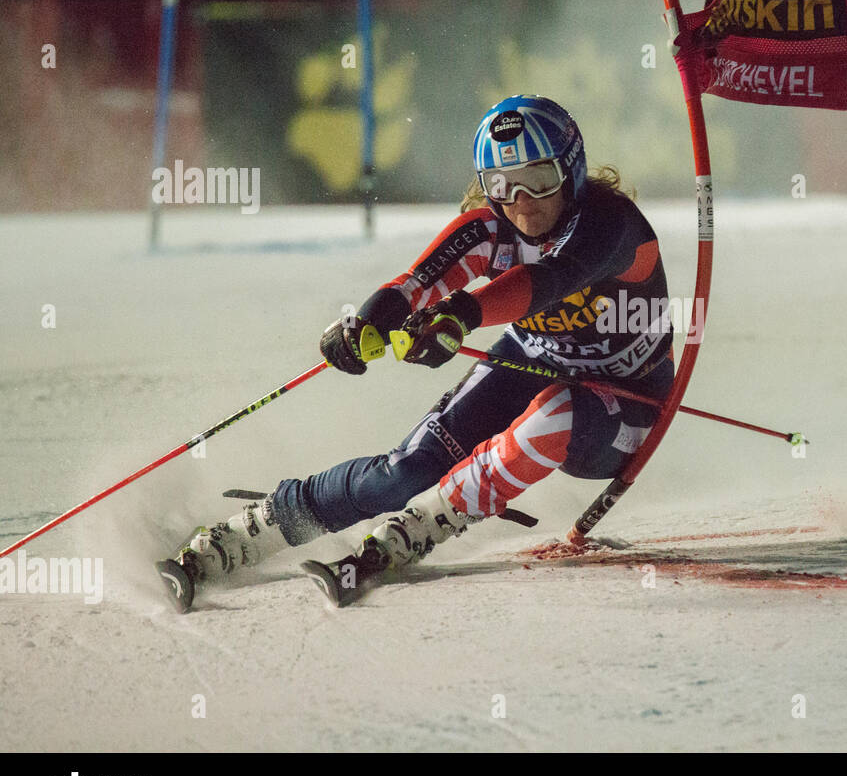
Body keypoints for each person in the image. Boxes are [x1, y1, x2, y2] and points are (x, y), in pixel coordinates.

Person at [174, 95, 674, 592]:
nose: (522, 200)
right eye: (502, 184)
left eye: (539, 179)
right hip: (531, 362)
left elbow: (551, 279)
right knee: (404, 473)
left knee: (556, 413)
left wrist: (462, 314)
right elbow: (414, 286)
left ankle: (426, 523)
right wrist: (364, 324)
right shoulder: (490, 229)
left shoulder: (612, 225)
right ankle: (251, 532)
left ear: (572, 169)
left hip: (627, 402)